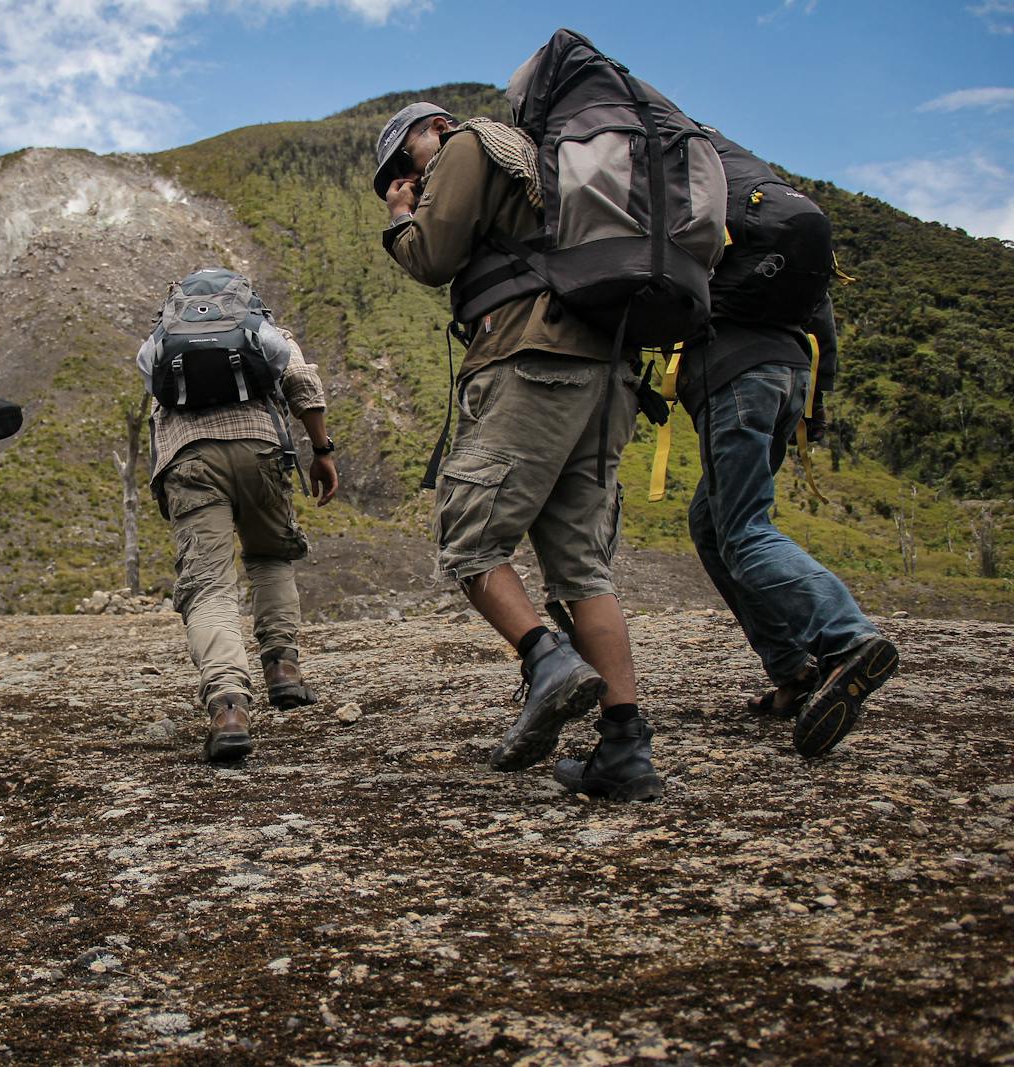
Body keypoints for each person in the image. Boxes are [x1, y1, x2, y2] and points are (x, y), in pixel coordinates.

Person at [375, 102, 663, 802]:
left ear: (433, 128)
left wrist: (399, 216)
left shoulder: (470, 144)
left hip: (533, 359)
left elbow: (432, 257)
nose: (401, 176)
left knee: (468, 537)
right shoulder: (542, 160)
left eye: (400, 161)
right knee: (580, 566)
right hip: (606, 372)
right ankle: (624, 746)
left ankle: (545, 657)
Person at [681, 301, 899, 757]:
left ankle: (847, 638)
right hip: (791, 375)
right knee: (709, 523)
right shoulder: (789, 229)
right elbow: (821, 314)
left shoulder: (706, 229)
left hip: (736, 374)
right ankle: (793, 673)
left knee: (743, 530)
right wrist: (817, 398)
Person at [138, 274, 338, 763]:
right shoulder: (260, 327)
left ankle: (229, 708)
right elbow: (302, 383)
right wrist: (321, 450)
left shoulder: (164, 336)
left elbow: (154, 398)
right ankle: (283, 669)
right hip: (261, 449)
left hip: (188, 459)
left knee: (208, 586)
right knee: (271, 556)